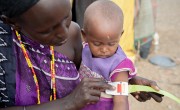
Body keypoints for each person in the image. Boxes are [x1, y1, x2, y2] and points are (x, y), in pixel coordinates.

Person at [0, 0, 163, 109]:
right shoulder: (4, 50)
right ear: (13, 23)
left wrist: (126, 80)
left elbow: (88, 70)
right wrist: (68, 103)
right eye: (47, 30)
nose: (64, 33)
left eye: (67, 18)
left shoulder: (74, 34)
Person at [79, 1, 135, 110]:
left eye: (111, 44)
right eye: (97, 43)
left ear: (120, 35)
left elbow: (121, 101)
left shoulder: (119, 65)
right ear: (85, 36)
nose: (104, 50)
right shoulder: (83, 50)